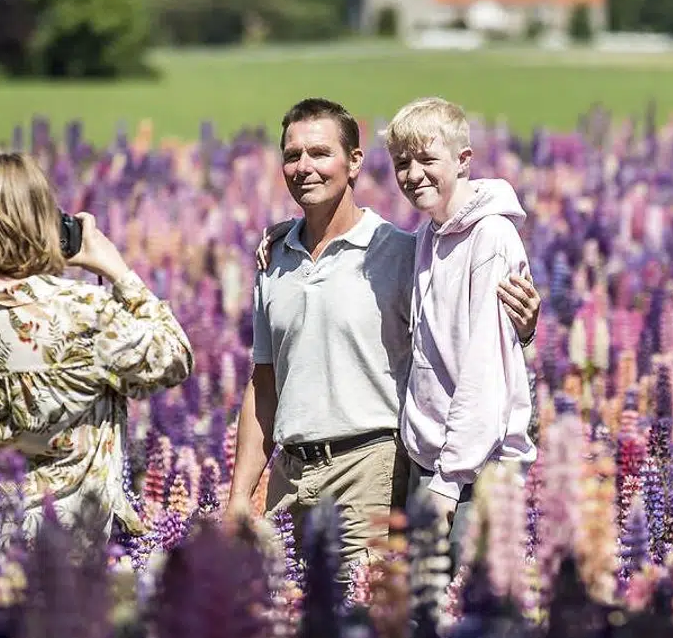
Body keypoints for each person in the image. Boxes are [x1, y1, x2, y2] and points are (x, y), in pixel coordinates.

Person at [228, 97, 539, 582]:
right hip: (292, 478)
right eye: (293, 155)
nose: (304, 167)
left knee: (371, 626)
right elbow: (263, 381)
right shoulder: (274, 261)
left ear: (353, 162)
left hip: (375, 469)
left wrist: (521, 328)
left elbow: (473, 345)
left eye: (320, 153)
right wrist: (239, 496)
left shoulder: (400, 250)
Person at [0, 152, 194, 570]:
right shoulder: (84, 312)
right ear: (43, 222)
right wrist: (118, 271)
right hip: (62, 554)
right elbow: (174, 355)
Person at [383, 96, 537, 562]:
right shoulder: (430, 234)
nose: (414, 175)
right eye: (402, 163)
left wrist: (448, 485)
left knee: (460, 614)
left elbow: (485, 369)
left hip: (473, 471)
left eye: (428, 160)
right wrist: (288, 235)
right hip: (432, 458)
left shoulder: (490, 237)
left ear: (463, 160)